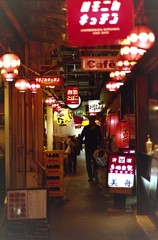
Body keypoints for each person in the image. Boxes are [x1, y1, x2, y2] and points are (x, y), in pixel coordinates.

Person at [80, 116, 102, 181]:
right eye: (90, 120)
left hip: (95, 148)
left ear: (94, 121)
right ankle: (90, 176)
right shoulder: (86, 128)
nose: (91, 122)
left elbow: (100, 137)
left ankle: (95, 174)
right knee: (88, 162)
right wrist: (80, 145)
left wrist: (99, 145)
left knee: (96, 162)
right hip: (88, 147)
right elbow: (81, 136)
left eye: (92, 120)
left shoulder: (98, 128)